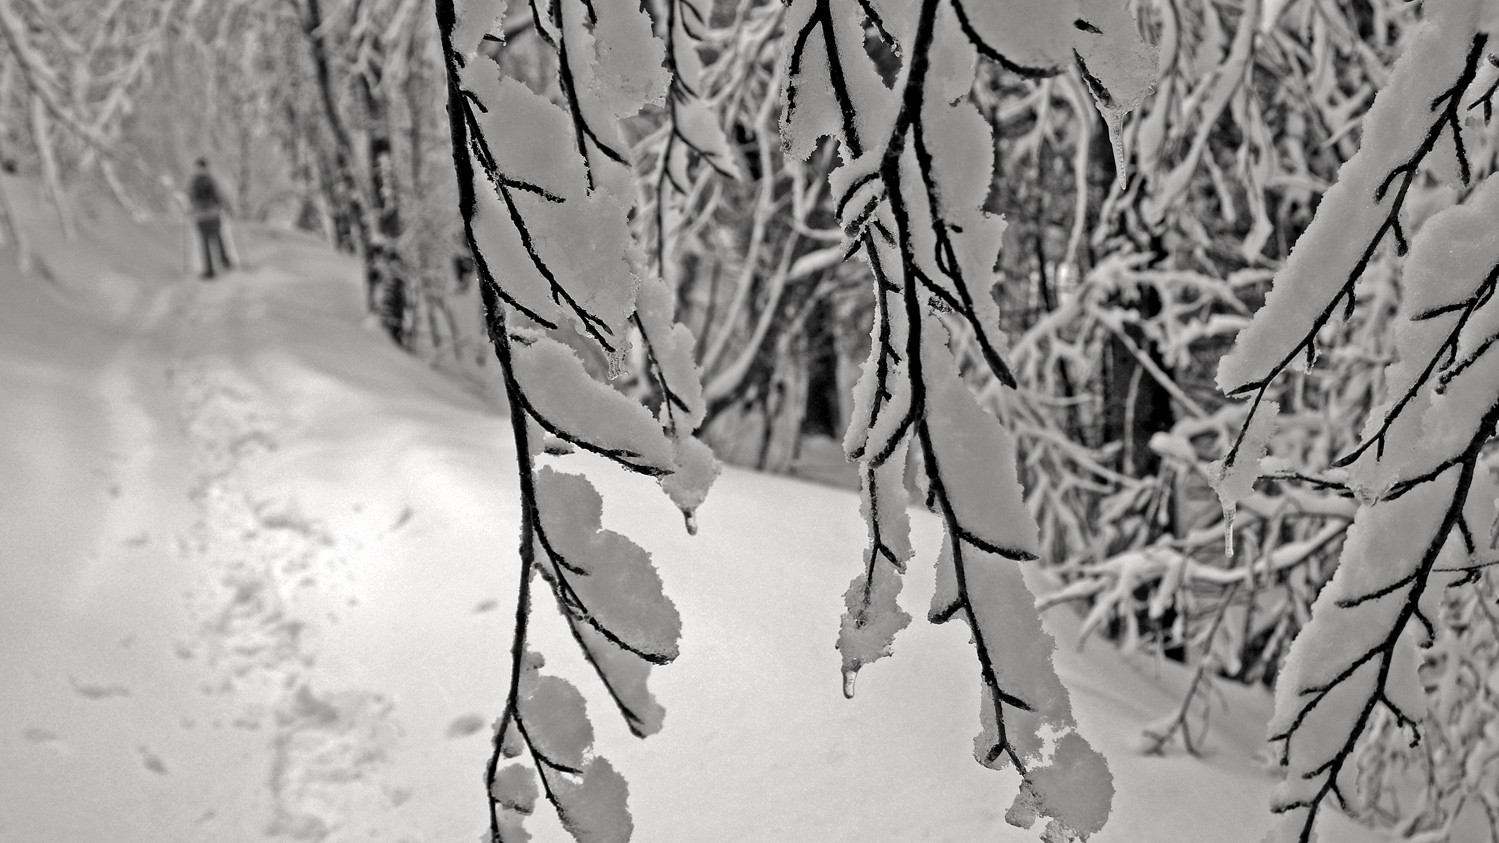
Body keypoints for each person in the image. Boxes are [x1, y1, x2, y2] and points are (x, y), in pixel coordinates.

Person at [188, 158, 232, 279]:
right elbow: (219, 195)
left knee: (205, 243)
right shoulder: (211, 181)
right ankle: (225, 262)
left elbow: (191, 199)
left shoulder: (194, 182)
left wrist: (191, 210)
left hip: (200, 217)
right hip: (213, 214)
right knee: (218, 238)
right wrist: (225, 207)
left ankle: (209, 270)